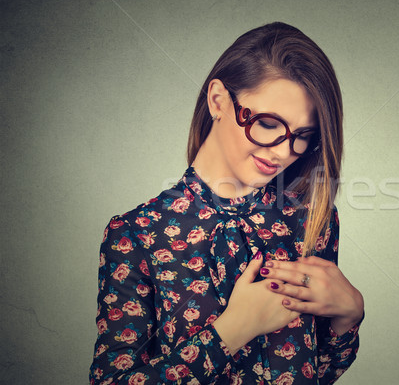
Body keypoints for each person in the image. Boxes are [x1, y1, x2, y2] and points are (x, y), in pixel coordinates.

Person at [89, 22, 364, 385]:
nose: (284, 152)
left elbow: (317, 370)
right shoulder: (137, 236)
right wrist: (233, 330)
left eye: (302, 136)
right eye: (268, 124)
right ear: (218, 100)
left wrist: (350, 316)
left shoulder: (312, 221)